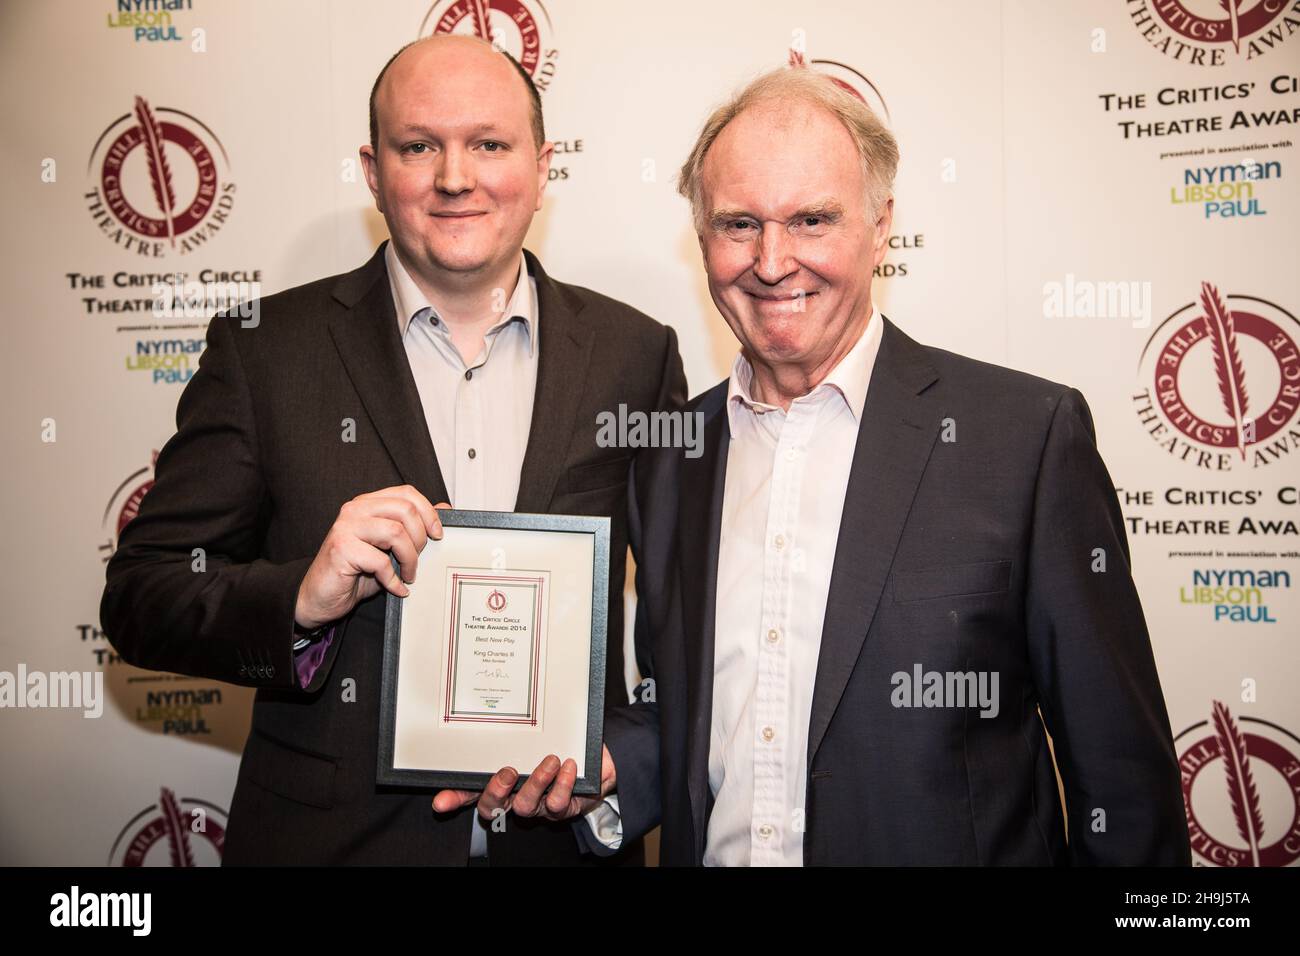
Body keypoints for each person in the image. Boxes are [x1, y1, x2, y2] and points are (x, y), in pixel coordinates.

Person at [490, 64, 1192, 865]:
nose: (773, 260)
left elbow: (1123, 782)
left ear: (881, 225)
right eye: (739, 223)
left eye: (813, 219)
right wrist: (611, 767)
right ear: (702, 239)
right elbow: (682, 709)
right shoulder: (670, 455)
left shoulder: (1023, 440)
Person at [100, 34, 686, 866]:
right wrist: (299, 602)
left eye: (489, 143)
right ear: (374, 173)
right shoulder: (265, 352)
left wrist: (622, 752)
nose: (456, 177)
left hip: (560, 849)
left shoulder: (636, 354)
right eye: (420, 147)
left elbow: (683, 612)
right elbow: (142, 594)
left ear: (543, 164)